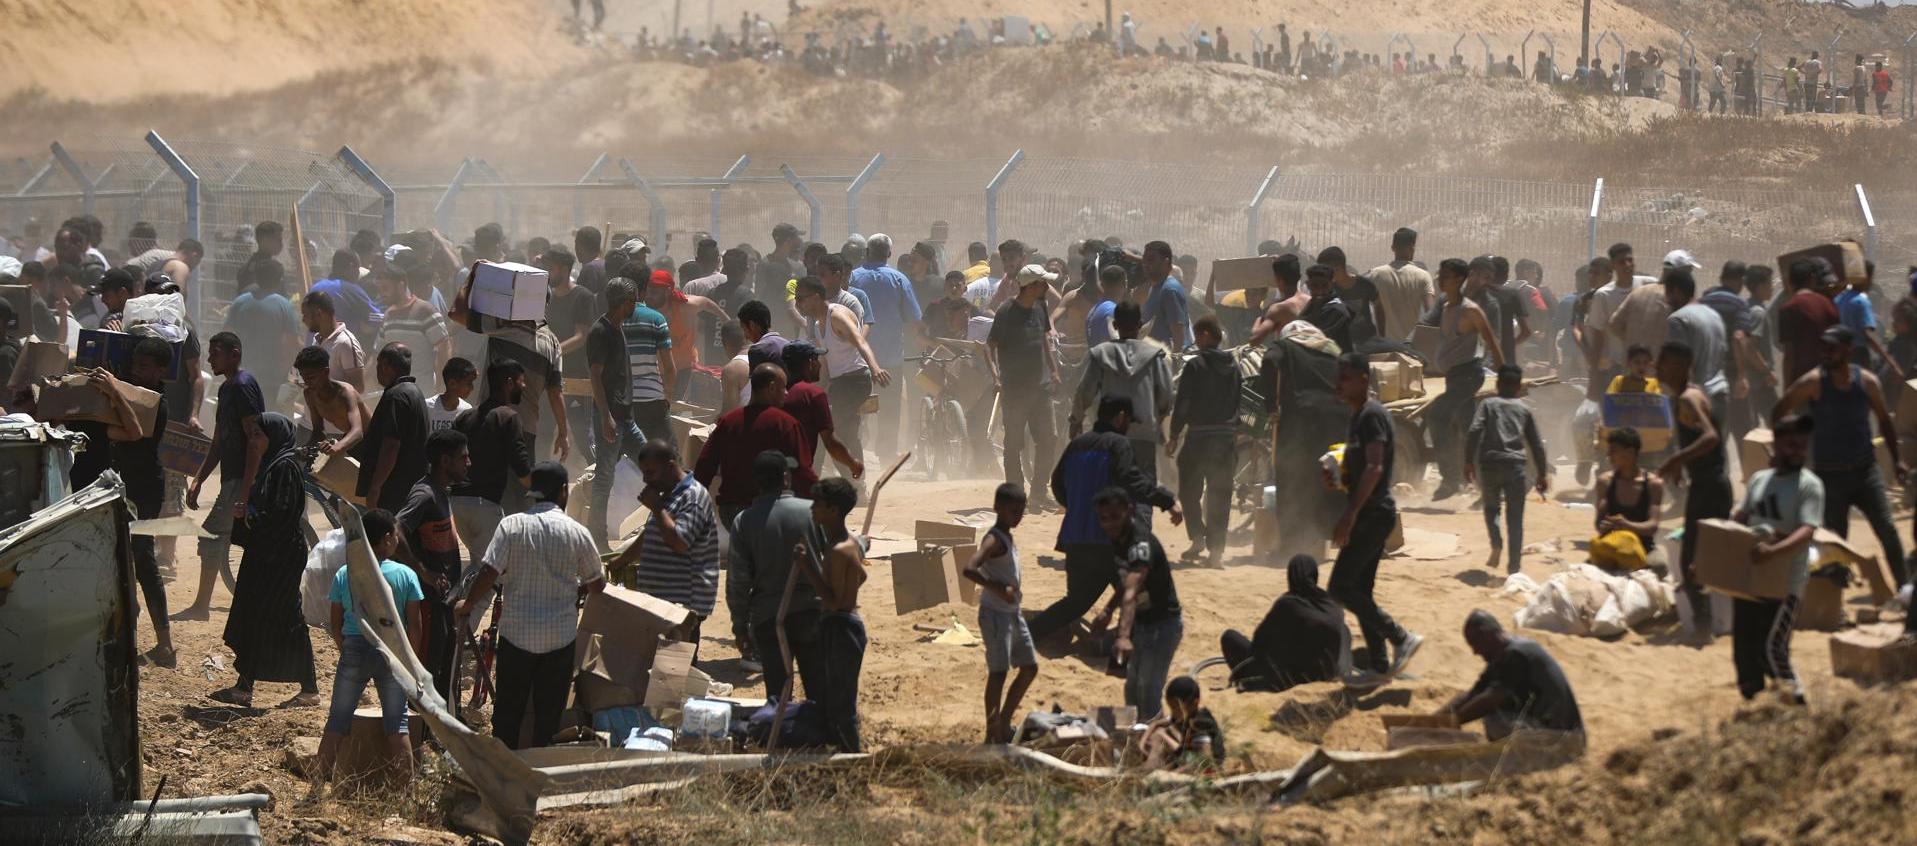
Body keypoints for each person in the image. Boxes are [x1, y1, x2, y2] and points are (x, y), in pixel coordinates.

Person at [456, 462, 604, 749]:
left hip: (516, 636)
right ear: (564, 491)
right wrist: (574, 587)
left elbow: (489, 571)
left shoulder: (511, 526)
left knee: (509, 711)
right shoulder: (577, 532)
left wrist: (468, 603)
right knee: (548, 715)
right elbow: (597, 585)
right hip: (560, 639)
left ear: (533, 493)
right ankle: (539, 769)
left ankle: (504, 767)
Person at [1029, 397, 1181, 644]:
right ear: (1120, 416)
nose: (1128, 427)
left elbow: (1057, 484)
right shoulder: (1118, 444)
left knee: (1075, 603)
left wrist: (1079, 507)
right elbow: (1131, 480)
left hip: (1075, 538)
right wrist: (1167, 501)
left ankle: (1026, 634)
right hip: (1108, 541)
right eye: (1128, 421)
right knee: (1142, 597)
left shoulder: (1076, 445)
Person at [1773, 326, 1908, 585]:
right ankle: (1834, 606)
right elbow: (1780, 411)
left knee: (1888, 531)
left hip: (1865, 472)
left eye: (1832, 347)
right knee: (1835, 544)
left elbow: (1884, 422)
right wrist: (1788, 452)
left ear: (1849, 350)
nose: (1825, 352)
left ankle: (1905, 591)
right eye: (1823, 347)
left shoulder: (1867, 382)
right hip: (1829, 476)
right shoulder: (1813, 382)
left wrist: (1897, 460)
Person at [210, 413, 319, 708]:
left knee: (289, 617)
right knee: (254, 615)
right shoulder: (272, 465)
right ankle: (244, 687)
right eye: (253, 435)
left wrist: (251, 515)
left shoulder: (284, 468)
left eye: (259, 435)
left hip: (280, 557)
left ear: (275, 436)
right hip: (266, 554)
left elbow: (281, 515)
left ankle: (309, 689)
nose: (254, 442)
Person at [1331, 353, 1422, 676]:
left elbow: (1375, 466)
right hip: (1368, 512)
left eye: (1346, 377)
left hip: (1373, 514)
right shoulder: (1358, 416)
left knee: (1340, 588)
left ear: (1364, 380)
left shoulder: (1372, 415)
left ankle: (1401, 636)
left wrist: (1350, 514)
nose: (1338, 383)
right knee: (1360, 590)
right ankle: (1380, 664)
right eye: (1338, 376)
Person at [317, 508, 422, 784]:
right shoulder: (406, 575)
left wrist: (346, 648)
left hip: (354, 647)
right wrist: (409, 662)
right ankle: (405, 793)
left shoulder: (345, 573)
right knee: (397, 726)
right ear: (387, 538)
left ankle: (316, 787)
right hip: (393, 654)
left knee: (337, 721)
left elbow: (335, 622)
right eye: (396, 536)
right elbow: (415, 626)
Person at [1730, 413, 1821, 704]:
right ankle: (1756, 706)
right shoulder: (1759, 480)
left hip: (1786, 584)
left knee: (1772, 648)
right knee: (1745, 650)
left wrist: (1773, 551)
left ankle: (1800, 707)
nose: (1798, 451)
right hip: (1751, 579)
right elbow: (1740, 519)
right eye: (1792, 444)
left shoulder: (1809, 485)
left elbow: (1806, 531)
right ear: (1777, 444)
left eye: (1803, 445)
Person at [99, 338, 177, 667]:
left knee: (143, 559)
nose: (137, 371)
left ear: (161, 371)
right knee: (121, 559)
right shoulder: (132, 390)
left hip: (145, 487)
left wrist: (115, 390)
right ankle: (128, 635)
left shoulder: (156, 402)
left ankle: (166, 645)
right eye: (135, 365)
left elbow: (134, 433)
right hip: (125, 483)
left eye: (145, 367)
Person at [177, 332, 266, 621]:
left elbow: (255, 440)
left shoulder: (242, 386)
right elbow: (219, 440)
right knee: (226, 538)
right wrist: (199, 478)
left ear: (235, 354)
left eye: (216, 354)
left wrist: (244, 489)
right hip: (232, 479)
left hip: (241, 478)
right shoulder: (228, 388)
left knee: (211, 536)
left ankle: (202, 607)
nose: (210, 359)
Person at [727, 450, 823, 699]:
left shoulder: (744, 521)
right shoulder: (814, 511)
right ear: (786, 478)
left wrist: (740, 626)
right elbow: (839, 551)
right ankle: (818, 734)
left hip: (768, 616)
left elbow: (738, 581)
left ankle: (783, 734)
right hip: (811, 612)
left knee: (778, 694)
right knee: (817, 686)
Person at [609, 439, 720, 651]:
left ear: (670, 467)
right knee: (657, 664)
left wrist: (657, 508)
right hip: (663, 601)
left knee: (674, 668)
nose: (645, 479)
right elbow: (651, 533)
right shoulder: (669, 494)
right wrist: (621, 561)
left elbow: (679, 542)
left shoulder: (693, 497)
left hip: (683, 604)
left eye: (650, 472)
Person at [1656, 341, 1729, 637]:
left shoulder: (1688, 399)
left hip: (1710, 487)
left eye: (1663, 362)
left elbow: (1710, 438)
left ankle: (1702, 623)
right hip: (1708, 483)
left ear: (1678, 366)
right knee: (1705, 553)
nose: (1658, 368)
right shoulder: (1688, 395)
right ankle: (1710, 616)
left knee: (1691, 558)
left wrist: (1677, 459)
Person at [1090, 487, 1183, 720]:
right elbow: (1125, 582)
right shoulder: (1119, 541)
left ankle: (1159, 752)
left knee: (1148, 694)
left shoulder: (1140, 545)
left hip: (1161, 626)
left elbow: (1132, 590)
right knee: (1132, 690)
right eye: (1103, 518)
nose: (1108, 524)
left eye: (1114, 516)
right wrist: (1108, 610)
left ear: (1128, 511)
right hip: (1141, 625)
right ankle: (1138, 745)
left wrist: (1122, 636)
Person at [794, 476, 868, 752]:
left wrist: (806, 566)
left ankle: (852, 759)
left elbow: (834, 602)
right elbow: (861, 574)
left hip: (841, 627)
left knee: (840, 705)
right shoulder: (845, 542)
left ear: (834, 510)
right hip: (844, 624)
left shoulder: (838, 550)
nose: (812, 509)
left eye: (818, 505)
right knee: (835, 701)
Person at [394, 429, 468, 702]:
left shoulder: (441, 492)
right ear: (445, 461)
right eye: (463, 458)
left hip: (444, 601)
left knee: (443, 668)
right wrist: (423, 571)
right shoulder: (424, 494)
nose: (468, 463)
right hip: (429, 603)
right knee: (427, 669)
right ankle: (422, 733)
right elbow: (397, 528)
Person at [963, 483, 1038, 743]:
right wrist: (998, 588)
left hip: (1011, 613)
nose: (1016, 516)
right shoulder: (994, 538)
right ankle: (993, 731)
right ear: (997, 508)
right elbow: (970, 568)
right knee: (999, 672)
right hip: (996, 614)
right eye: (1011, 511)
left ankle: (1003, 724)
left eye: (1020, 512)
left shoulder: (1006, 536)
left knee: (1029, 667)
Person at [1433, 610, 1584, 740]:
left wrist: (1453, 722)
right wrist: (1435, 720)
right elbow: (1474, 693)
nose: (1475, 652)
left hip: (1563, 737)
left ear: (1485, 635)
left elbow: (1490, 700)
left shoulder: (1515, 655)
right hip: (1555, 727)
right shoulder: (1503, 653)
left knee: (1494, 719)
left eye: (1475, 644)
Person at [1071, 300, 1173, 490]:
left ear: (1115, 326)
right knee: (1142, 494)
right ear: (1140, 325)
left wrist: (1075, 420)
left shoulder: (1101, 354)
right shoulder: (1156, 356)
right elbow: (1166, 395)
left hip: (1110, 435)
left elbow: (1084, 392)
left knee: (1111, 492)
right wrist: (1158, 419)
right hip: (1144, 435)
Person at [696, 363, 815, 523]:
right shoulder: (786, 424)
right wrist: (818, 502)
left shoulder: (728, 422)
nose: (786, 393)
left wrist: (695, 501)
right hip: (770, 512)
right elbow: (802, 471)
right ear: (771, 387)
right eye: (783, 387)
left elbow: (705, 464)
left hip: (731, 512)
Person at [794, 274, 889, 468]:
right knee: (842, 432)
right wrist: (816, 391)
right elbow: (827, 365)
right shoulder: (820, 325)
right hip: (840, 384)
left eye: (801, 298)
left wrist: (875, 367)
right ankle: (854, 482)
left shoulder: (837, 316)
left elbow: (860, 340)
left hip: (855, 380)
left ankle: (852, 481)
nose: (798, 304)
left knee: (832, 431)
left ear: (816, 297)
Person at [1429, 258, 1504, 501]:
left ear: (1460, 279)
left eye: (1447, 276)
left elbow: (1492, 342)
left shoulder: (1472, 310)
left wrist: (1506, 379)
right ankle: (1487, 483)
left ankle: (1450, 479)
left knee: (1438, 414)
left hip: (1469, 375)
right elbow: (1425, 325)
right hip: (1453, 376)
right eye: (1440, 275)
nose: (1441, 280)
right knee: (1470, 431)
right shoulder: (1444, 304)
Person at [1219, 553, 1351, 692]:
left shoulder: (1288, 604)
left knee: (1230, 637)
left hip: (1287, 679)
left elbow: (1259, 644)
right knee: (1344, 629)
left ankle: (1249, 684)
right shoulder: (1332, 604)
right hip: (1328, 675)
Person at [450, 357, 534, 571]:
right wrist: (544, 492)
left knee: (480, 567)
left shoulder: (464, 417)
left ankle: (457, 601)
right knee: (494, 572)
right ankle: (453, 603)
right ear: (508, 382)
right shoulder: (508, 417)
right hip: (484, 508)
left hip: (457, 505)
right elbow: (522, 468)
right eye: (521, 382)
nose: (523, 387)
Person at [1466, 366, 1552, 573]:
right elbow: (1536, 444)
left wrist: (1468, 461)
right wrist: (1541, 473)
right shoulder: (1524, 409)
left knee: (1491, 508)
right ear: (1519, 388)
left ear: (1496, 385)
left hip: (1490, 464)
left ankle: (1496, 542)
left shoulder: (1487, 404)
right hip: (1515, 466)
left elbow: (1475, 430)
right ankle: (1514, 567)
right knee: (1515, 518)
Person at [1169, 315, 1239, 566]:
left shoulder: (1195, 366)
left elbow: (1183, 403)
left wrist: (1174, 434)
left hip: (1199, 438)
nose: (1196, 341)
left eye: (1198, 336)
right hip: (1225, 439)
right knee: (1221, 494)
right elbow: (1237, 400)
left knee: (1188, 491)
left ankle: (1198, 537)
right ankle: (1216, 552)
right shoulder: (1233, 366)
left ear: (1206, 335)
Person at [986, 265, 1061, 498]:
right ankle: (1016, 491)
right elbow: (989, 346)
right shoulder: (1006, 311)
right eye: (1043, 283)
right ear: (1030, 287)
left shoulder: (1040, 306)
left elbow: (1044, 339)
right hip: (1015, 390)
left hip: (1041, 387)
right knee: (1013, 444)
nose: (1047, 287)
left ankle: (1039, 490)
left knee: (1049, 439)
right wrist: (996, 376)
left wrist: (1054, 370)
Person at [584, 278, 648, 548]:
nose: (635, 305)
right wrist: (606, 416)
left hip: (625, 417)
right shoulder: (601, 331)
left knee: (650, 461)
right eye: (633, 301)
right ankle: (596, 535)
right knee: (604, 477)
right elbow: (595, 378)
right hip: (611, 418)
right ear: (625, 303)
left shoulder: (616, 327)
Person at [851, 234, 925, 464]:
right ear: (890, 254)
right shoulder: (898, 279)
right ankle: (885, 454)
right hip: (891, 356)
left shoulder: (854, 277)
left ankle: (855, 451)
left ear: (866, 252)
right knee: (889, 406)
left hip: (858, 356)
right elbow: (914, 318)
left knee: (856, 405)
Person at [358, 343, 432, 514]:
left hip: (394, 489)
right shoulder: (415, 392)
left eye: (377, 363)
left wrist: (375, 487)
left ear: (384, 364)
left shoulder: (396, 396)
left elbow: (391, 445)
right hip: (410, 486)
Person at [543, 247, 597, 463]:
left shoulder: (582, 296)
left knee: (582, 434)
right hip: (551, 375)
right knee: (545, 430)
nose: (547, 272)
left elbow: (581, 337)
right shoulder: (546, 296)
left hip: (576, 376)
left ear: (564, 269)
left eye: (551, 268)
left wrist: (552, 352)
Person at [780, 341, 864, 479]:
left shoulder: (777, 391)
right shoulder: (813, 394)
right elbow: (830, 442)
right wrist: (852, 463)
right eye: (817, 360)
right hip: (799, 474)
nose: (820, 365)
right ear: (810, 363)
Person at [225, 258, 300, 411]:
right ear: (279, 280)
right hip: (271, 378)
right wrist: (286, 371)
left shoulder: (240, 302)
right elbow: (291, 344)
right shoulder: (284, 306)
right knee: (266, 417)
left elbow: (225, 335)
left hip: (241, 373)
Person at [371, 265, 453, 397]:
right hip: (396, 394)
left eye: (385, 288)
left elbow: (444, 347)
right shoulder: (388, 316)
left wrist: (442, 387)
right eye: (380, 289)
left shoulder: (425, 311)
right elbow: (378, 353)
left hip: (423, 394)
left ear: (401, 285)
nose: (382, 293)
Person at [1592, 427, 1664, 566]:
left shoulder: (1653, 484)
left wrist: (1626, 525)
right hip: (1612, 546)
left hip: (1643, 548)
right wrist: (1604, 526)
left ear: (1630, 452)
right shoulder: (1605, 482)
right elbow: (1598, 522)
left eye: (1613, 451)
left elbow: (1653, 526)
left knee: (1659, 566)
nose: (1608, 455)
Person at [629, 272, 680, 441]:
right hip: (652, 400)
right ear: (643, 291)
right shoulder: (656, 319)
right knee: (667, 453)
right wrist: (667, 397)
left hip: (622, 400)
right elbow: (670, 368)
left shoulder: (611, 318)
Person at [1834, 262, 1902, 381]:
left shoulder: (1839, 298)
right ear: (1865, 278)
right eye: (1871, 278)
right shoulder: (1862, 301)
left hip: (1840, 355)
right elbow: (1868, 336)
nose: (1871, 282)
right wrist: (1891, 363)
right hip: (1859, 357)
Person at [1777, 258, 1841, 385]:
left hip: (1802, 382)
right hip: (1828, 379)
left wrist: (1788, 389)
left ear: (1789, 282)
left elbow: (1789, 355)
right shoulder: (1829, 304)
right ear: (1812, 279)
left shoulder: (1788, 309)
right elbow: (1839, 346)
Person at [1142, 676, 1224, 772]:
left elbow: (1205, 759)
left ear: (1194, 703)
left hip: (1203, 768)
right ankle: (1149, 768)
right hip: (1187, 755)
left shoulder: (1200, 723)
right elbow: (1156, 724)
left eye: (1176, 709)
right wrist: (1142, 743)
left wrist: (1175, 773)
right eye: (1172, 708)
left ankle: (1149, 770)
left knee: (1161, 736)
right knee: (1160, 733)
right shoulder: (1185, 714)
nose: (1174, 713)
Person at [1369, 228, 1434, 342]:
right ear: (1412, 248)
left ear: (1393, 248)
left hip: (1384, 344)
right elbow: (1431, 313)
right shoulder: (1423, 276)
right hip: (1410, 345)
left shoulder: (1376, 274)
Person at [309, 249, 383, 344]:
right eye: (357, 269)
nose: (358, 274)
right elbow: (377, 318)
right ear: (351, 267)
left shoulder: (315, 288)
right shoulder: (350, 290)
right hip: (337, 353)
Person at [1138, 241, 1191, 349]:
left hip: (1167, 359)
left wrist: (1174, 363)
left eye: (1151, 260)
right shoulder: (1156, 287)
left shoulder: (1169, 290)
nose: (1146, 264)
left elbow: (1178, 333)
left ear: (1166, 263)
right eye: (1144, 259)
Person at [427, 357, 476, 432]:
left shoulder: (467, 410)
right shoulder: (427, 408)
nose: (472, 388)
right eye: (468, 383)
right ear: (452, 383)